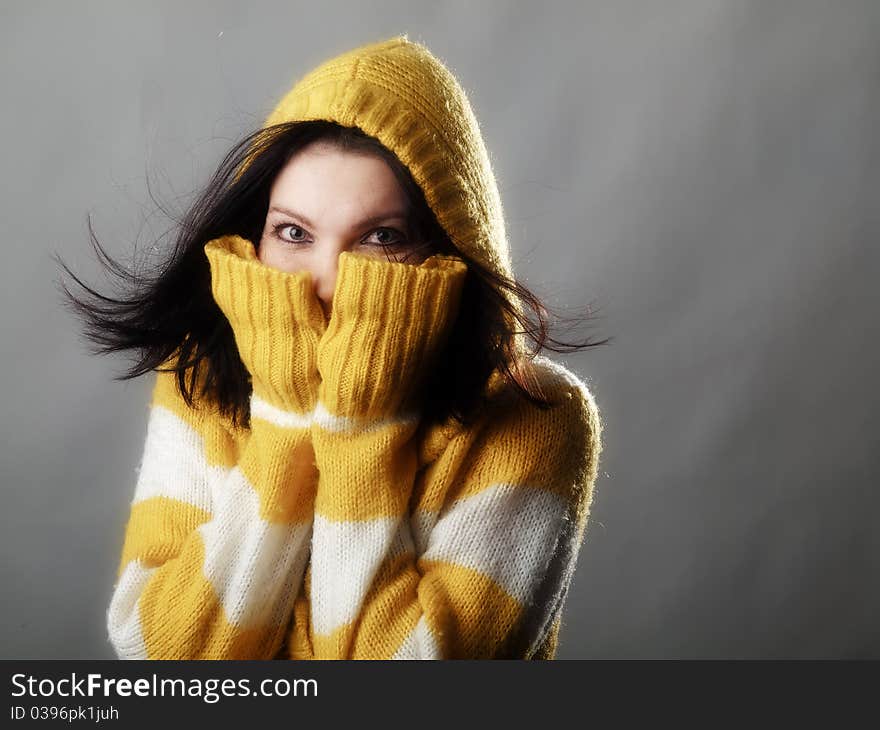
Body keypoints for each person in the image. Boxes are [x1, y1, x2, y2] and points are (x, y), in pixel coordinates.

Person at [59, 34, 608, 659]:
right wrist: (288, 416)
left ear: (450, 250)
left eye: (380, 236)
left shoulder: (535, 416)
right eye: (293, 231)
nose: (326, 280)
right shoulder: (199, 381)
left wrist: (363, 415)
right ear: (254, 236)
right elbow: (162, 661)